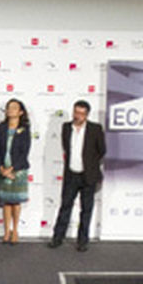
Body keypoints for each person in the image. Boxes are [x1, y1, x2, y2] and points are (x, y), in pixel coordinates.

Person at [49, 100, 106, 252]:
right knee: (65, 206)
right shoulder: (66, 127)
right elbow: (66, 148)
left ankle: (82, 241)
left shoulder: (95, 129)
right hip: (71, 175)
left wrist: (91, 165)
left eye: (81, 113)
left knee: (86, 209)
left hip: (88, 175)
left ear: (87, 115)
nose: (77, 116)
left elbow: (102, 150)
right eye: (75, 112)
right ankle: (57, 237)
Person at [0, 98, 31, 244]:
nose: (11, 110)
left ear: (21, 112)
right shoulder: (0, 128)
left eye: (14, 108)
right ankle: (6, 231)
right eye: (9, 107)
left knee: (16, 202)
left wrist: (11, 169)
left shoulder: (25, 129)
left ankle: (16, 230)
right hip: (2, 169)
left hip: (18, 170)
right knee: (6, 202)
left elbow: (24, 152)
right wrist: (1, 168)